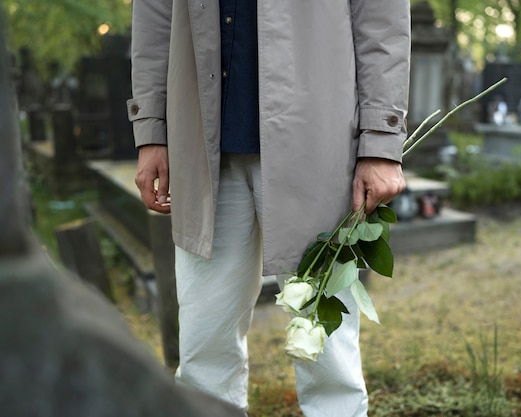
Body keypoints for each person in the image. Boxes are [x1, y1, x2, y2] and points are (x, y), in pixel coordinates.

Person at [127, 0, 410, 415]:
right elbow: (154, 11)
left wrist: (381, 143)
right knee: (203, 347)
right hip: (203, 150)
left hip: (319, 143)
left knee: (327, 348)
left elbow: (380, 18)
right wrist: (151, 129)